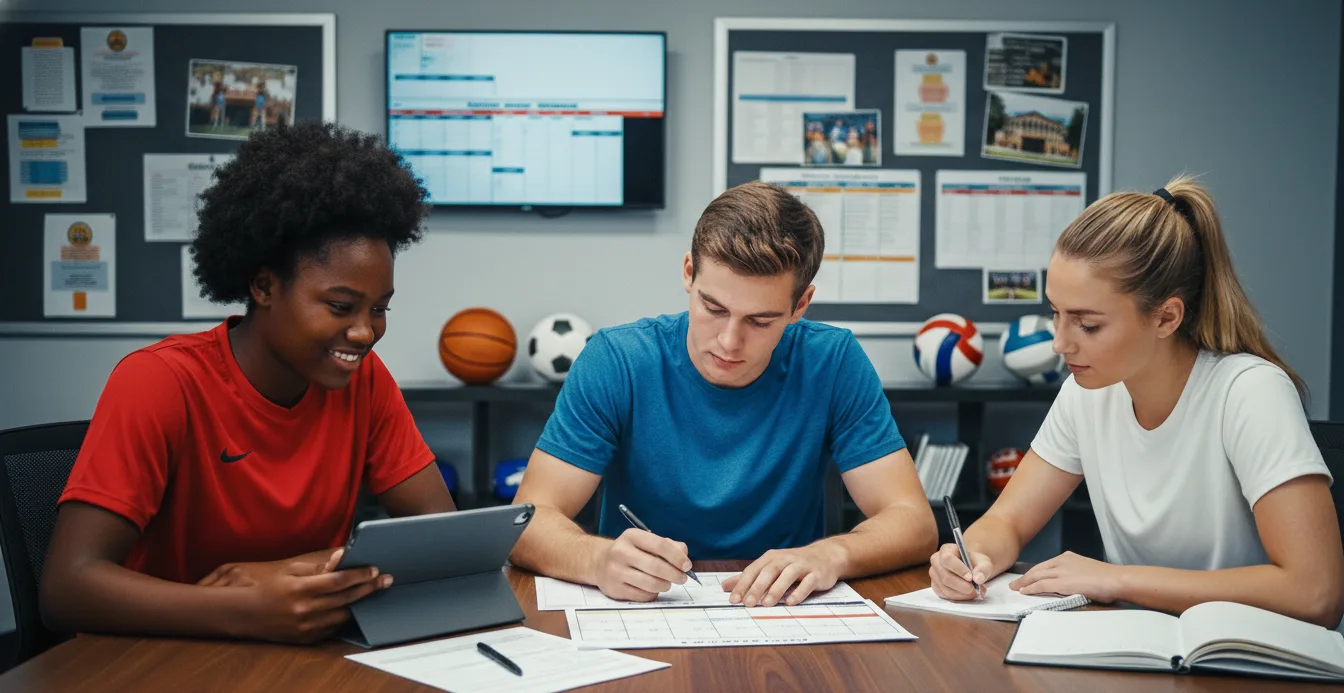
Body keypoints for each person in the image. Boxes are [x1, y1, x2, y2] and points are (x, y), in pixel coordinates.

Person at [41, 121, 456, 643]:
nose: (365, 331)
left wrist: (295, 568)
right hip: (163, 658)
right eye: (340, 306)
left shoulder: (364, 381)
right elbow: (66, 589)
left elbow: (442, 540)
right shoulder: (159, 382)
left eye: (379, 309)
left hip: (299, 659)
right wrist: (244, 607)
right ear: (264, 285)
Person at [928, 175, 1344, 627]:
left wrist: (1119, 580)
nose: (1060, 344)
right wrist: (970, 558)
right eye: (1055, 314)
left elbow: (1315, 592)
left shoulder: (1251, 392)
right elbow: (1007, 522)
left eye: (1087, 325)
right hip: (1144, 651)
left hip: (1251, 660)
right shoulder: (1085, 392)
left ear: (1166, 317)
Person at [509, 181, 937, 608]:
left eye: (761, 320)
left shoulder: (833, 361)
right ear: (688, 272)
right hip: (646, 606)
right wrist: (597, 559)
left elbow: (913, 522)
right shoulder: (616, 360)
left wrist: (832, 553)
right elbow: (526, 522)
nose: (730, 342)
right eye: (714, 308)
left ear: (801, 305)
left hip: (783, 610)